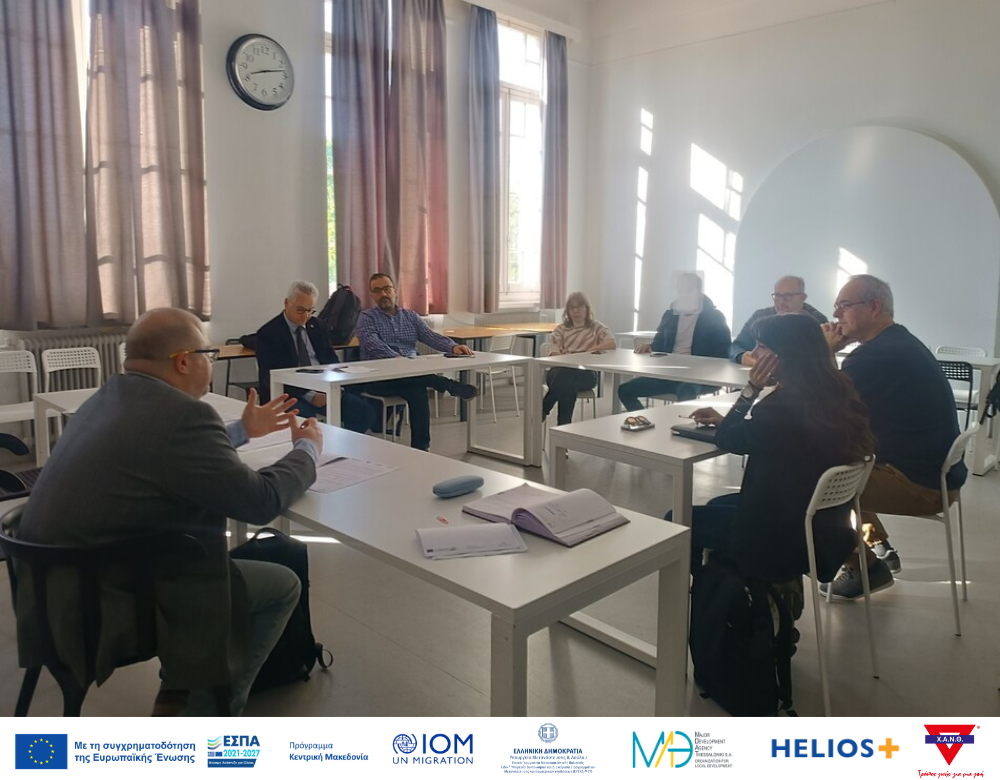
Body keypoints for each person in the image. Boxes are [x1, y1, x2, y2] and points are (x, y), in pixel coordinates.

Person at [17, 308, 323, 716]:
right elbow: (260, 501)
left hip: (47, 591)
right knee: (282, 585)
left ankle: (181, 688)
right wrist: (307, 450)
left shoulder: (108, 396)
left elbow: (158, 448)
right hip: (105, 606)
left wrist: (243, 430)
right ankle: (204, 712)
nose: (210, 364)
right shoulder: (186, 415)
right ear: (183, 361)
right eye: (208, 355)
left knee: (206, 555)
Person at [674, 314, 875, 592]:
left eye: (762, 346)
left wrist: (750, 390)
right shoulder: (837, 392)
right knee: (716, 504)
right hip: (819, 526)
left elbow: (728, 439)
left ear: (785, 354)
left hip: (776, 535)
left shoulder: (780, 408)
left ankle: (710, 592)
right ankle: (738, 585)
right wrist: (731, 420)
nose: (754, 353)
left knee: (676, 519)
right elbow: (774, 434)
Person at [819, 274, 967, 599]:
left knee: (809, 483)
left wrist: (825, 352)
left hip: (921, 487)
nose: (836, 314)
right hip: (939, 476)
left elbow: (824, 405)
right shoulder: (898, 342)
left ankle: (864, 568)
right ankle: (878, 545)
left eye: (844, 305)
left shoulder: (876, 356)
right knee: (843, 459)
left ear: (874, 307)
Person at [355, 273, 478, 451]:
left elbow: (429, 336)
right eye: (377, 290)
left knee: (417, 391)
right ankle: (448, 385)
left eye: (387, 289)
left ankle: (421, 448)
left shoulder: (410, 316)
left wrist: (453, 347)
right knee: (416, 382)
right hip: (380, 378)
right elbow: (372, 343)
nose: (383, 294)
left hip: (411, 375)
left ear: (395, 291)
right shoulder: (367, 317)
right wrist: (397, 359)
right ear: (372, 295)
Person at [256, 280, 375, 434]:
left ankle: (342, 443)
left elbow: (330, 359)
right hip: (290, 393)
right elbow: (270, 377)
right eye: (300, 310)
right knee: (306, 420)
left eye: (310, 310)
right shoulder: (269, 333)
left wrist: (335, 384)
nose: (305, 316)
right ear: (286, 303)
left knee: (364, 412)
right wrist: (310, 395)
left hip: (323, 387)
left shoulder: (317, 325)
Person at [618, 272, 731, 411]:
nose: (683, 294)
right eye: (680, 290)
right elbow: (659, 342)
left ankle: (682, 423)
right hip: (669, 373)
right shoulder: (671, 315)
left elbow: (723, 352)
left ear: (699, 292)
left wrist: (700, 367)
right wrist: (650, 347)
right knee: (625, 390)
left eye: (688, 290)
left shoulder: (714, 317)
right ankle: (645, 420)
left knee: (686, 391)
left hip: (699, 376)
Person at [543, 292, 616, 425]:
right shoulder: (561, 329)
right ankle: (563, 427)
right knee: (567, 381)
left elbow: (611, 343)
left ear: (587, 309)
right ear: (568, 311)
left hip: (586, 373)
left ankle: (544, 408)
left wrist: (589, 350)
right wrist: (572, 361)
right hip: (560, 370)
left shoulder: (596, 327)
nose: (576, 311)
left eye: (580, 307)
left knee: (565, 382)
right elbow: (554, 354)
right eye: (572, 307)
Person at [729, 275, 828, 365]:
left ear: (803, 297)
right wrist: (741, 356)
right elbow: (735, 347)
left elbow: (819, 360)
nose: (781, 302)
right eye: (777, 296)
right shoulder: (760, 316)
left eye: (788, 296)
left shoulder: (816, 321)